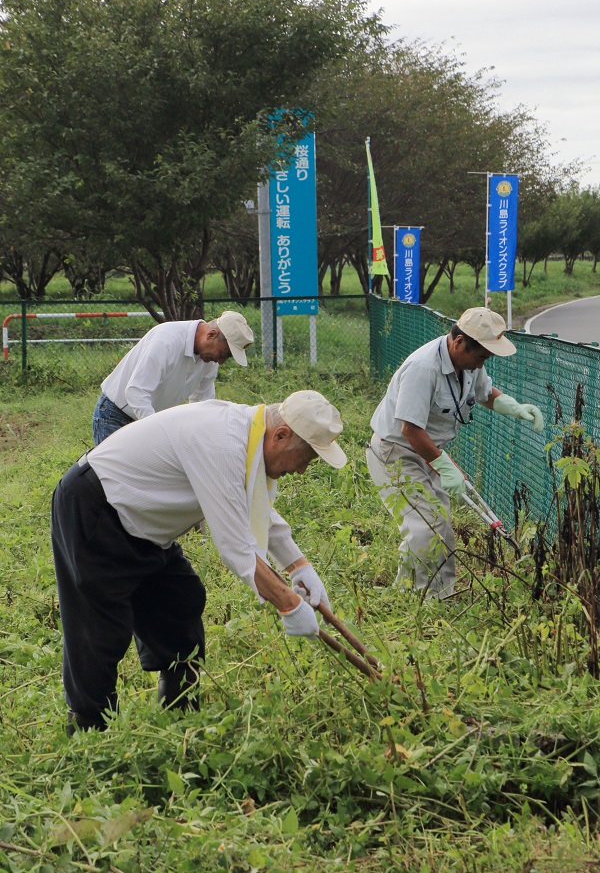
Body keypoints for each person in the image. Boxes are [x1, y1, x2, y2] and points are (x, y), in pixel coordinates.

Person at [51, 390, 347, 733]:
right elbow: (236, 548)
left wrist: (298, 565)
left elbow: (259, 509)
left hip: (145, 525)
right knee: (98, 630)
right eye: (305, 459)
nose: (301, 471)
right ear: (281, 436)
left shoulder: (248, 433)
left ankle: (180, 715)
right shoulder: (221, 444)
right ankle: (87, 731)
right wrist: (289, 604)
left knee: (180, 600)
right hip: (96, 508)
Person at [366, 307, 544, 599]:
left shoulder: (469, 364)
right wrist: (445, 467)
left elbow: (485, 393)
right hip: (394, 452)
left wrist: (514, 407)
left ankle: (440, 593)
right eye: (481, 356)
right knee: (425, 525)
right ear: (459, 341)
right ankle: (419, 597)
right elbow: (409, 428)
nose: (482, 363)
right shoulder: (424, 368)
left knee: (440, 524)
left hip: (427, 452)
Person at [92, 310, 255, 444]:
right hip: (115, 415)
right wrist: (161, 433)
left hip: (149, 420)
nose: (220, 361)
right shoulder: (167, 340)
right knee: (113, 481)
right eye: (223, 354)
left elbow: (202, 403)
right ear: (211, 335)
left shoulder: (209, 360)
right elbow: (136, 391)